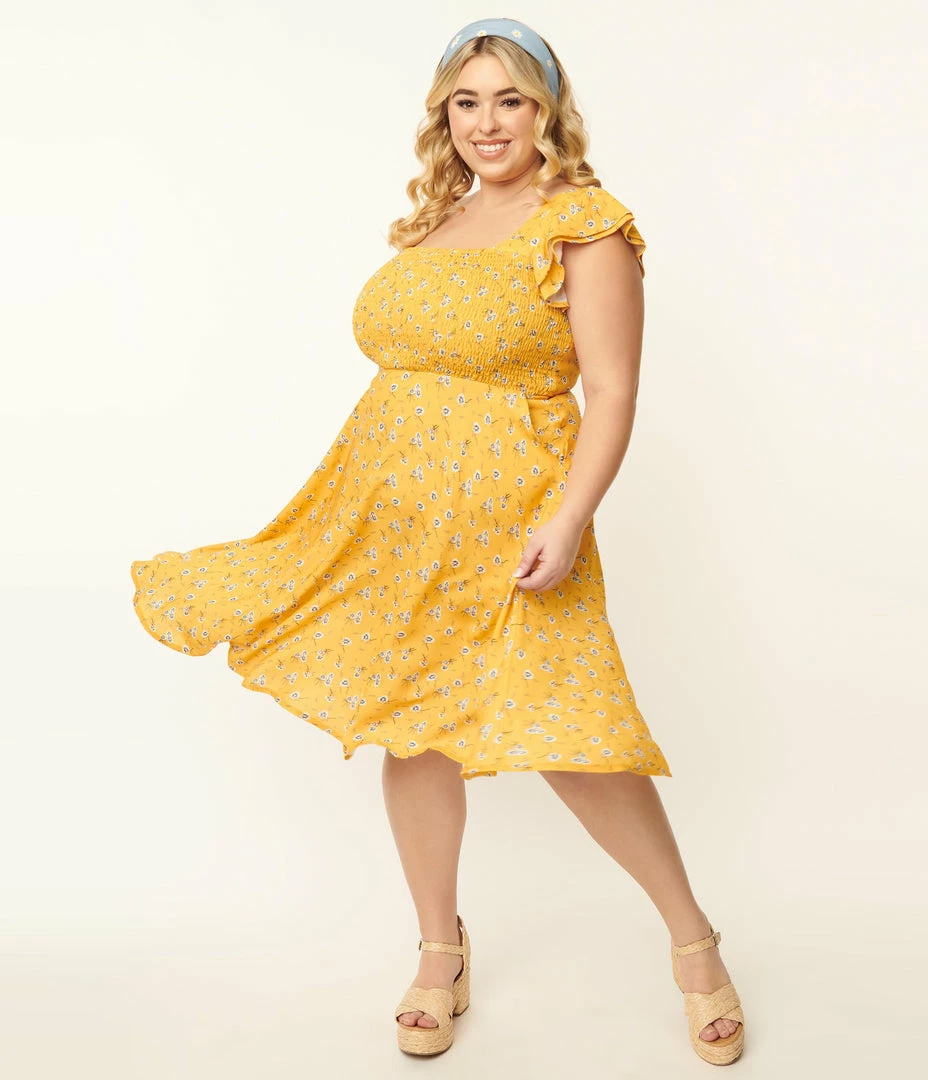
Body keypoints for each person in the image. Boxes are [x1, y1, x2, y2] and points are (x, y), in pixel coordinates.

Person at [129, 16, 744, 1066]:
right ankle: (438, 949)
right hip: (388, 517)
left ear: (547, 110)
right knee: (412, 729)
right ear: (442, 114)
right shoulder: (438, 221)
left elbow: (612, 391)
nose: (486, 123)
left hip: (515, 524)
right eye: (466, 101)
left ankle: (694, 943)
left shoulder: (584, 225)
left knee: (573, 735)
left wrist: (567, 519)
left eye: (510, 99)